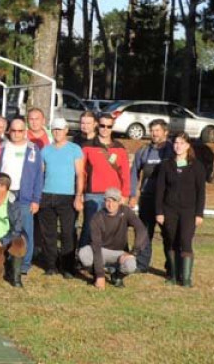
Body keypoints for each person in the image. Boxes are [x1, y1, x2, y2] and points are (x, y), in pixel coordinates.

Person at [155, 132, 206, 287]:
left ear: (188, 146)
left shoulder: (197, 166)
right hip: (169, 210)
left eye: (182, 143)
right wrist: (159, 212)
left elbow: (201, 192)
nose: (178, 146)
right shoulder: (166, 165)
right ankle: (173, 274)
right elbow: (160, 191)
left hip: (189, 212)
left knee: (185, 241)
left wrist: (199, 214)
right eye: (176, 143)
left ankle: (186, 278)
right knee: (171, 240)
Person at [38, 118, 84, 278]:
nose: (57, 132)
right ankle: (51, 265)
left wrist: (78, 196)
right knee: (48, 233)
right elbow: (41, 174)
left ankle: (67, 266)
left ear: (66, 130)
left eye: (60, 129)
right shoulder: (45, 150)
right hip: (47, 195)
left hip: (68, 196)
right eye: (54, 129)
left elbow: (80, 174)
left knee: (67, 233)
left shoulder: (75, 149)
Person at [0, 116, 43, 275]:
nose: (16, 133)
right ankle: (5, 260)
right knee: (5, 228)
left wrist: (36, 199)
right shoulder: (2, 147)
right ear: (9, 131)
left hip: (24, 196)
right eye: (14, 130)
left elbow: (38, 176)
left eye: (20, 130)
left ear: (25, 131)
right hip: (4, 194)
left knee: (25, 231)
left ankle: (24, 264)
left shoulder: (33, 149)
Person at [78, 187, 147, 289]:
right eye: (108, 201)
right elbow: (96, 247)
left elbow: (141, 229)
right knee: (83, 254)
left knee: (131, 265)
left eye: (114, 201)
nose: (110, 205)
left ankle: (117, 276)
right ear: (104, 201)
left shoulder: (126, 211)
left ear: (119, 202)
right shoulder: (97, 217)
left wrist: (133, 253)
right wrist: (100, 275)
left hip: (120, 252)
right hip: (101, 250)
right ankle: (96, 274)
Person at [79, 113, 130, 248]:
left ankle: (114, 260)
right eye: (102, 125)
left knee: (113, 229)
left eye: (109, 126)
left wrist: (125, 194)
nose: (105, 129)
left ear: (112, 127)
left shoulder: (120, 147)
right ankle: (83, 258)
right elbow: (82, 173)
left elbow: (125, 172)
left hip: (114, 195)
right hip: (93, 194)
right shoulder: (87, 146)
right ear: (97, 125)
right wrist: (80, 193)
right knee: (89, 227)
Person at [130, 119, 174, 273]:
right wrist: (132, 194)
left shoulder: (173, 150)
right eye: (152, 130)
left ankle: (172, 267)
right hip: (147, 198)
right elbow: (134, 173)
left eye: (157, 130)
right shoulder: (144, 151)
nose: (154, 134)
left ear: (165, 132)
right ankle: (141, 264)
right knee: (143, 232)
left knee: (168, 233)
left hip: (166, 200)